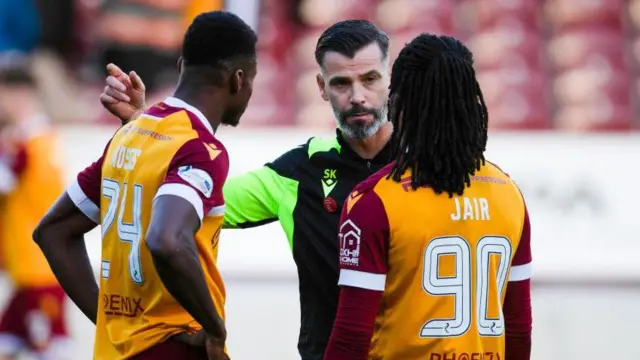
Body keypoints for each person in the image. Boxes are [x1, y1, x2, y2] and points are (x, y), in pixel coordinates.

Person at [100, 19, 392, 360]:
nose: (357, 96)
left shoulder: (435, 165)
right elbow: (176, 196)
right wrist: (143, 128)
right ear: (322, 87)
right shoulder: (296, 174)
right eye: (341, 83)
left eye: (369, 79)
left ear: (390, 80)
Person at [33, 11, 257, 360]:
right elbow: (166, 240)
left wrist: (111, 323)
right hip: (175, 347)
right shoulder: (201, 149)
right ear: (238, 79)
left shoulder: (130, 134)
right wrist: (214, 328)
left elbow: (53, 231)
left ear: (182, 66)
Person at [323, 34, 533, 360]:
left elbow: (352, 335)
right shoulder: (509, 195)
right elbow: (517, 326)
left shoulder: (374, 201)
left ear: (401, 103)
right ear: (471, 102)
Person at [0, 66, 71, 360]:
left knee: (50, 350)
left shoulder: (25, 145)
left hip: (36, 270)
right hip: (33, 266)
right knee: (9, 343)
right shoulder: (44, 138)